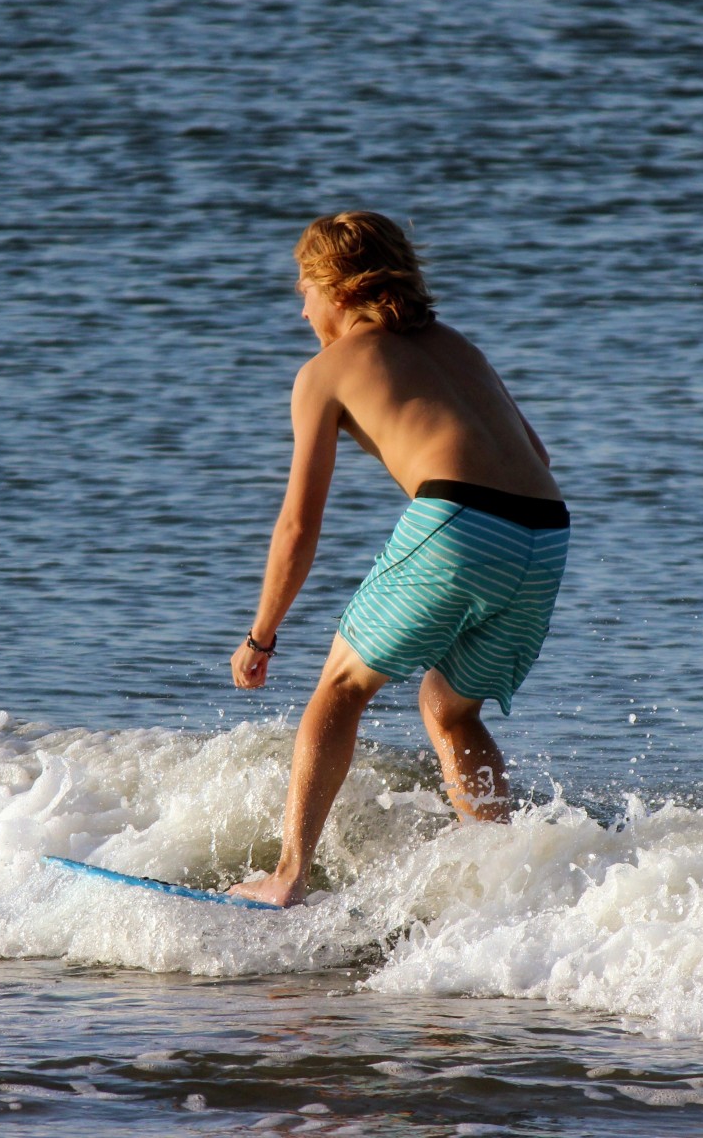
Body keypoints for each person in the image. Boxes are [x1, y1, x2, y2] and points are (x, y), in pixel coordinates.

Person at [228, 211, 568, 908]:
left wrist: (263, 632)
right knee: (449, 709)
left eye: (303, 289)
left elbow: (298, 523)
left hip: (460, 520)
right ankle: (501, 879)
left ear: (337, 287)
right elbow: (539, 455)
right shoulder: (458, 345)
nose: (301, 307)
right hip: (544, 533)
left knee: (340, 689)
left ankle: (287, 877)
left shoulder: (325, 372)